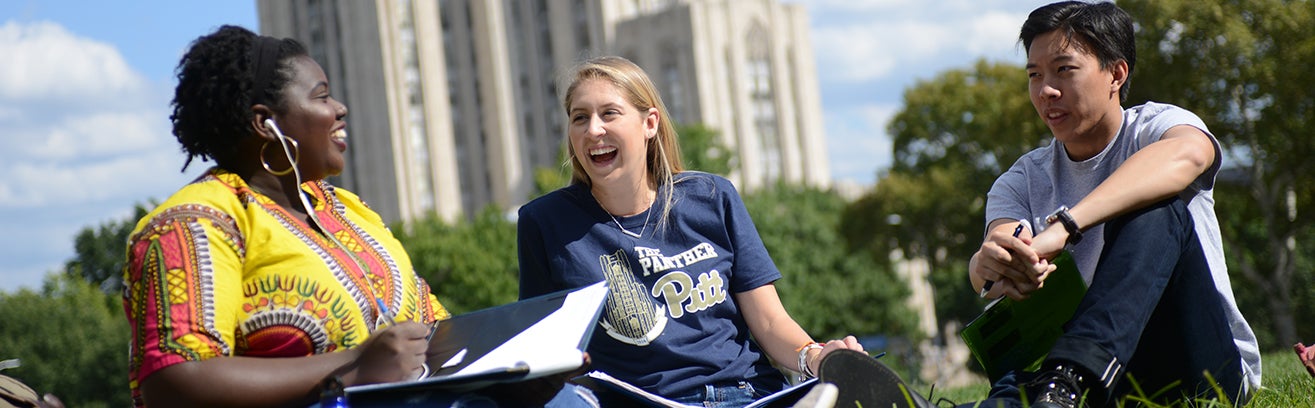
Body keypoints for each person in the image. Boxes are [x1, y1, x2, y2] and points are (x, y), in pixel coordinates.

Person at [121, 25, 589, 408]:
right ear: (266, 123)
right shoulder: (191, 224)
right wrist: (352, 367)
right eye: (321, 96)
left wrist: (512, 375)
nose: (339, 109)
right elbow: (173, 380)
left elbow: (438, 340)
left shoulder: (348, 211)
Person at [516, 56, 870, 407]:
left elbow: (770, 319)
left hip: (744, 394)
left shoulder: (712, 197)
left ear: (649, 123)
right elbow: (545, 346)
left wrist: (816, 356)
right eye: (580, 118)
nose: (593, 130)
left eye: (609, 113)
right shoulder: (545, 222)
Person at [966, 1, 1260, 407]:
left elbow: (1189, 155)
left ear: (1116, 74)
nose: (1046, 90)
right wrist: (992, 263)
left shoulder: (1156, 128)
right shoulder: (1021, 178)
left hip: (1201, 371)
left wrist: (1065, 228)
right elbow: (1001, 237)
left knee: (1156, 206)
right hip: (1102, 387)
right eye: (1034, 75)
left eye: (1064, 70)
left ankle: (1067, 378)